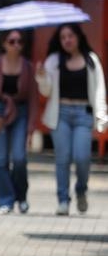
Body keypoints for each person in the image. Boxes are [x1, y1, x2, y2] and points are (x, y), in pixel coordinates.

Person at [35, 23, 108, 215]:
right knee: (63, 158)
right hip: (61, 114)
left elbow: (99, 90)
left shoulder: (91, 60)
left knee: (82, 157)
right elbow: (46, 91)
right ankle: (63, 200)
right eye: (63, 37)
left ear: (78, 37)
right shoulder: (53, 60)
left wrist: (102, 115)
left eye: (70, 36)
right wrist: (42, 77)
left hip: (84, 114)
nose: (67, 40)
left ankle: (81, 190)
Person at [0, 30, 38, 215]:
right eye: (12, 41)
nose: (16, 45)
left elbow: (33, 99)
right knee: (1, 159)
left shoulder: (28, 67)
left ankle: (21, 197)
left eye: (20, 41)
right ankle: (5, 200)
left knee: (20, 158)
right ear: (4, 43)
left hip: (20, 112)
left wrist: (30, 128)